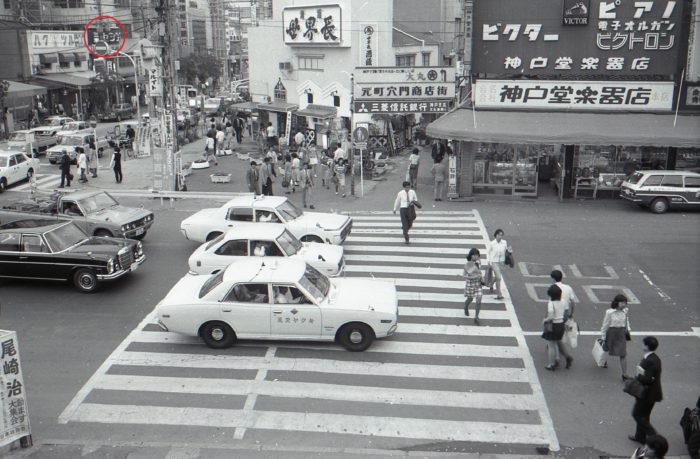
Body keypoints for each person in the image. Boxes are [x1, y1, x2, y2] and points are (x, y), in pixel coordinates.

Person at [629, 336, 663, 445]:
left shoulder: (651, 361)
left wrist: (638, 375)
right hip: (651, 394)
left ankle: (654, 437)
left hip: (647, 394)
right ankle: (640, 437)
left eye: (643, 344)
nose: (642, 345)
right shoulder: (654, 358)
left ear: (647, 346)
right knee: (644, 415)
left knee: (637, 415)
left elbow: (648, 379)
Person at [600, 294, 632, 381]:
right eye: (622, 303)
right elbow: (605, 325)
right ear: (617, 303)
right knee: (606, 348)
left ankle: (624, 374)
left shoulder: (625, 311)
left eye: (625, 303)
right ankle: (602, 361)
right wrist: (603, 337)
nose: (624, 304)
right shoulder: (609, 312)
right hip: (612, 332)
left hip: (621, 333)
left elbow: (626, 321)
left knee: (623, 354)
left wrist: (628, 329)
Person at [541, 284, 574, 371]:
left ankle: (551, 364)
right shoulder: (563, 301)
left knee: (551, 345)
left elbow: (551, 316)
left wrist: (545, 320)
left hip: (553, 325)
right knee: (559, 341)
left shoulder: (551, 303)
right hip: (561, 325)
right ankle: (567, 357)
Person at [487, 229, 511, 300]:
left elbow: (506, 250)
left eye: (501, 235)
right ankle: (499, 294)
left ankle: (491, 284)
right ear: (496, 235)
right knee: (499, 278)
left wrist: (509, 251)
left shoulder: (504, 242)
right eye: (499, 235)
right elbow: (488, 252)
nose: (500, 236)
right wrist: (488, 261)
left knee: (497, 277)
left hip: (501, 262)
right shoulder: (492, 243)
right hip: (494, 262)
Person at [463, 248, 483, 325]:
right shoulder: (468, 264)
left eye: (477, 255)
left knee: (478, 300)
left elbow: (480, 272)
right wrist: (472, 277)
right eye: (475, 255)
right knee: (470, 299)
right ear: (471, 256)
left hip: (478, 284)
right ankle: (465, 306)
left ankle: (476, 317)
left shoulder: (479, 262)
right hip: (470, 284)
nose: (476, 257)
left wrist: (481, 278)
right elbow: (464, 275)